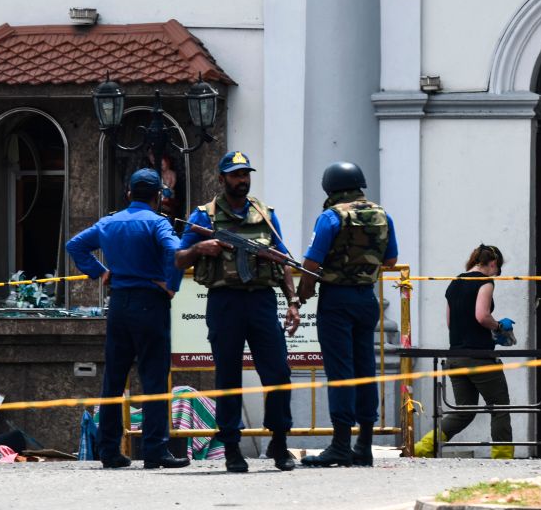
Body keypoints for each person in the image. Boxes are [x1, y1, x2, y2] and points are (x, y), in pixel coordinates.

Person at [174, 150, 300, 473]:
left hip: (261, 301)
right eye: (235, 175)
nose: (242, 180)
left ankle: (280, 440)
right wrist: (201, 248)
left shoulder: (265, 214)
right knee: (228, 375)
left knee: (278, 373)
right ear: (222, 179)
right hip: (225, 302)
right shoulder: (205, 216)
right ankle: (231, 447)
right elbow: (179, 258)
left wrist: (294, 302)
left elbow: (281, 259)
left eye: (245, 175)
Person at [66, 168, 189, 469]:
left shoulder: (109, 223)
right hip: (150, 304)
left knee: (114, 379)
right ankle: (155, 451)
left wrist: (100, 272)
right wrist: (171, 286)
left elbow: (75, 245)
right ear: (159, 196)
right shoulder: (157, 223)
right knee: (154, 377)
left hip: (119, 304)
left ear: (130, 194)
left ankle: (109, 450)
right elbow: (176, 251)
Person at [297, 161, 398, 468]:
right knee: (366, 368)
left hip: (336, 302)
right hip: (367, 300)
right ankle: (364, 445)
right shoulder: (382, 215)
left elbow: (312, 263)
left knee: (340, 372)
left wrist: (303, 292)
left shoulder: (330, 217)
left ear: (330, 189)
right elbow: (391, 260)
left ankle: (340, 444)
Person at [414, 244, 516, 459]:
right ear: (493, 264)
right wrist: (498, 326)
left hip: (455, 357)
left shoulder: (454, 283)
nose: (497, 274)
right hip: (480, 358)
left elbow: (451, 323)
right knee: (499, 407)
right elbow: (481, 316)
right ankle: (503, 456)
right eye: (498, 269)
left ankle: (423, 448)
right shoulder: (485, 282)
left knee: (465, 410)